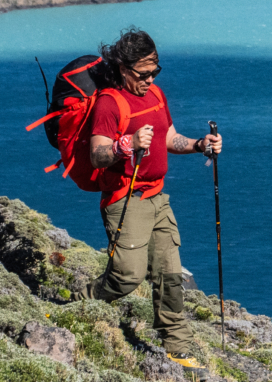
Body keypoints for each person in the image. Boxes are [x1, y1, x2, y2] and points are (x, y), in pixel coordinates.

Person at [84, 28, 222, 363]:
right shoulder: (109, 103)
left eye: (154, 72)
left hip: (158, 198)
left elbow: (169, 137)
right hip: (125, 200)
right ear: (122, 68)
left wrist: (199, 145)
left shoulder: (156, 95)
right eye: (143, 74)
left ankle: (177, 347)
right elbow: (97, 154)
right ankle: (86, 301)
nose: (149, 79)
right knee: (128, 276)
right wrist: (126, 144)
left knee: (171, 274)